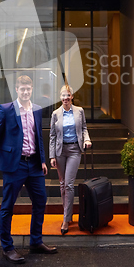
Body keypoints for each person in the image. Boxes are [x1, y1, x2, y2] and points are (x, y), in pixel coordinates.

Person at [0, 75, 57, 264]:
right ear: (16, 90)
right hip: (13, 165)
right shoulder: (7, 109)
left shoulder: (37, 110)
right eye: (22, 89)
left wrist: (42, 160)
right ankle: (7, 247)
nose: (25, 92)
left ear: (32, 89)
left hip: (33, 164)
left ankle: (36, 241)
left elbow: (38, 136)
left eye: (28, 89)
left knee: (40, 200)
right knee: (8, 206)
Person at [49, 85, 92, 235]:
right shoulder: (55, 114)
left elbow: (84, 128)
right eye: (63, 95)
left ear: (72, 96)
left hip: (74, 150)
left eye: (68, 95)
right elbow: (52, 136)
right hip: (60, 151)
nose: (65, 98)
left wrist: (87, 140)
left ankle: (66, 220)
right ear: (60, 97)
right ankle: (68, 214)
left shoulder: (79, 111)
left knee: (68, 184)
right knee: (62, 185)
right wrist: (52, 156)